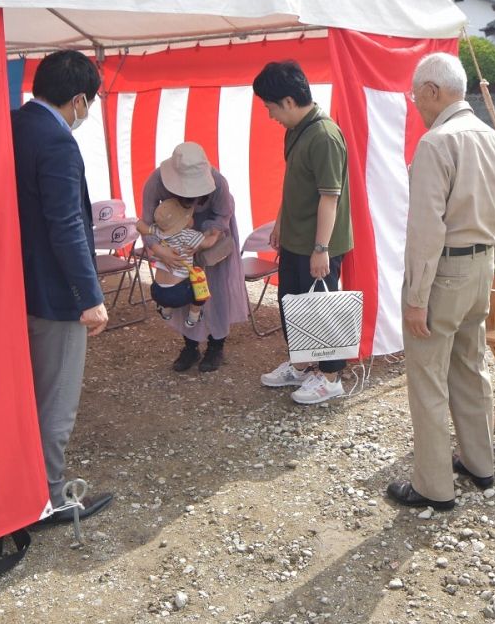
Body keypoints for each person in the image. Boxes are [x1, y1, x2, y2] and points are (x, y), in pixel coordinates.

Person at [385, 53, 495, 512]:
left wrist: (416, 298)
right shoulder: (491, 138)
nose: (415, 103)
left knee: (428, 378)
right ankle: (480, 463)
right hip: (481, 267)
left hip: (444, 272)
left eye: (416, 95)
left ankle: (434, 486)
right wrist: (491, 267)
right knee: (469, 366)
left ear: (433, 92)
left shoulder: (436, 143)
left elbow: (425, 231)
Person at [11, 50, 114, 525]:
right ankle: (47, 497)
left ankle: (21, 482)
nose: (86, 112)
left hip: (16, 282)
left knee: (28, 389)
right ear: (78, 99)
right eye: (88, 102)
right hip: (54, 292)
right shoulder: (56, 141)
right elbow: (67, 224)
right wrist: (90, 297)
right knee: (56, 395)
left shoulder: (15, 123)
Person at [251, 60, 353, 405]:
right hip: (296, 238)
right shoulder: (296, 131)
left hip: (318, 242)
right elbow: (293, 183)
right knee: (292, 305)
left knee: (321, 307)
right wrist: (281, 222)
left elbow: (330, 196)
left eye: (270, 107)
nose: (270, 115)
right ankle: (302, 364)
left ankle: (330, 377)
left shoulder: (324, 135)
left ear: (289, 102)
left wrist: (321, 248)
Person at [140, 142, 248, 372]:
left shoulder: (218, 182)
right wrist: (160, 250)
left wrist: (208, 236)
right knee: (182, 289)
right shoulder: (156, 181)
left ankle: (216, 346)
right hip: (173, 240)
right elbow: (146, 223)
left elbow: (223, 214)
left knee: (213, 289)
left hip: (211, 238)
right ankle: (190, 345)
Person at [136, 198, 207, 327]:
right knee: (200, 289)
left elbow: (139, 225)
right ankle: (193, 318)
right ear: (185, 222)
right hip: (177, 293)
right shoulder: (188, 234)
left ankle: (166, 312)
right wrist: (217, 234)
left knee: (166, 296)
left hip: (156, 291)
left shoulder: (158, 231)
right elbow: (209, 242)